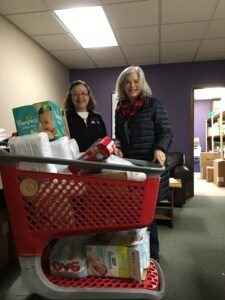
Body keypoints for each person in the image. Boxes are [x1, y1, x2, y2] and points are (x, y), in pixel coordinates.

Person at [114, 66, 173, 261]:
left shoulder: (154, 105)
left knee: (147, 212)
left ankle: (153, 254)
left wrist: (160, 148)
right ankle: (137, 252)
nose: (132, 85)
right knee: (133, 211)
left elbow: (166, 132)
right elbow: (118, 136)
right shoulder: (120, 109)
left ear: (142, 83)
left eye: (135, 81)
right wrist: (119, 147)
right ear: (123, 85)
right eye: (128, 82)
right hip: (130, 167)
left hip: (150, 167)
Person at [65, 80, 107, 152]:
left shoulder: (97, 117)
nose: (80, 97)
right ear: (70, 98)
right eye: (75, 94)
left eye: (83, 93)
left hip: (97, 160)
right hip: (75, 161)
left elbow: (104, 140)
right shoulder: (65, 118)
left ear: (88, 96)